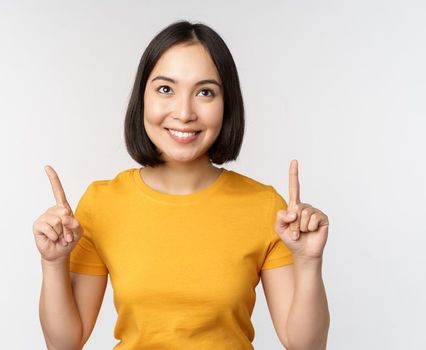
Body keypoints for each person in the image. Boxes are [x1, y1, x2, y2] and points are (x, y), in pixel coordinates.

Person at [33, 21, 330, 350]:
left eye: (205, 92)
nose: (185, 112)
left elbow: (305, 346)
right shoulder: (103, 203)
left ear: (226, 103)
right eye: (165, 89)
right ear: (141, 97)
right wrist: (53, 263)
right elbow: (64, 343)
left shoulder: (265, 207)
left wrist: (308, 262)